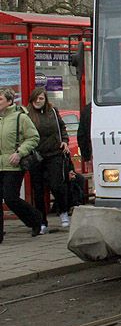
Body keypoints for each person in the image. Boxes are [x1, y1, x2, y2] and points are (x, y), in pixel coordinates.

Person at [0, 88, 43, 242]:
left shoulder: (20, 118)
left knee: (10, 198)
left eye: (0, 99)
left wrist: (19, 153)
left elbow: (33, 138)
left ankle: (35, 219)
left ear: (10, 101)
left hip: (14, 165)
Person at [26, 87, 70, 232]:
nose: (38, 101)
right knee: (38, 190)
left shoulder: (52, 111)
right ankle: (41, 221)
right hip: (36, 155)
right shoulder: (27, 114)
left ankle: (63, 211)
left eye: (41, 98)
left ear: (45, 99)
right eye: (36, 98)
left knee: (56, 185)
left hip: (54, 153)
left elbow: (62, 127)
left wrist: (64, 140)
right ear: (31, 99)